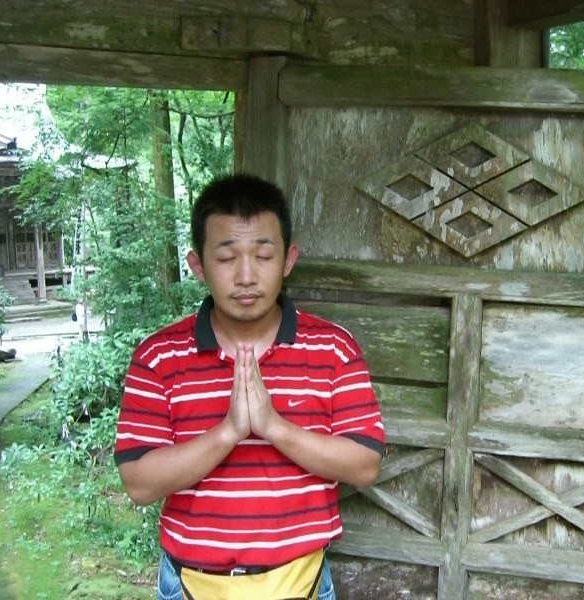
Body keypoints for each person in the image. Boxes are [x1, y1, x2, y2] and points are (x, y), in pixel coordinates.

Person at [114, 174, 385, 600]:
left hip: (303, 583)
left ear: (288, 260)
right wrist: (228, 432)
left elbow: (365, 465)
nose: (245, 276)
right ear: (198, 265)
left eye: (263, 255)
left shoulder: (334, 349)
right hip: (189, 584)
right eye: (226, 258)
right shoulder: (159, 357)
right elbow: (139, 483)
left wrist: (274, 426)